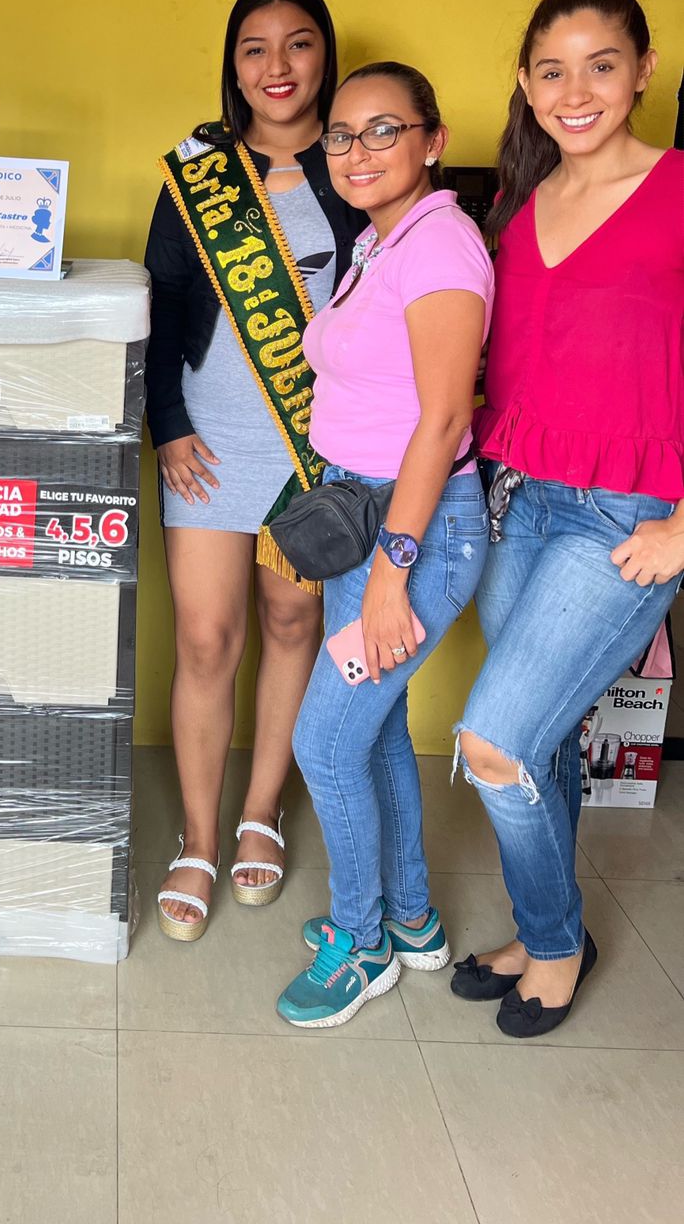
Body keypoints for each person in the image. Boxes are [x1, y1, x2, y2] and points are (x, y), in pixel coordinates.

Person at [452, 0, 684, 1038]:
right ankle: (538, 927)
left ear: (642, 70)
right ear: (525, 81)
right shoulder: (520, 199)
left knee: (494, 742)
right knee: (539, 744)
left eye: (601, 65)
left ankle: (554, 941)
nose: (575, 91)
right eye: (552, 70)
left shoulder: (675, 188)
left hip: (624, 517)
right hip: (518, 501)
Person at [144, 0, 363, 940]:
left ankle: (260, 812)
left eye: (298, 43)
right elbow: (159, 303)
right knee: (204, 639)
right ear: (233, 66)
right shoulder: (199, 173)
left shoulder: (357, 166)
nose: (278, 66)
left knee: (290, 621)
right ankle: (197, 837)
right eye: (255, 48)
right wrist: (165, 423)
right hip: (207, 442)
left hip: (312, 443)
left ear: (326, 55)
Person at [276, 62, 493, 1028]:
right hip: (362, 517)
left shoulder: (439, 245)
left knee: (324, 743)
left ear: (431, 140)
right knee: (376, 729)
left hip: (415, 533)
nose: (356, 152)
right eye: (341, 135)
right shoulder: (380, 240)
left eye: (383, 130)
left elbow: (443, 420)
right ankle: (410, 918)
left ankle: (361, 945)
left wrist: (391, 575)